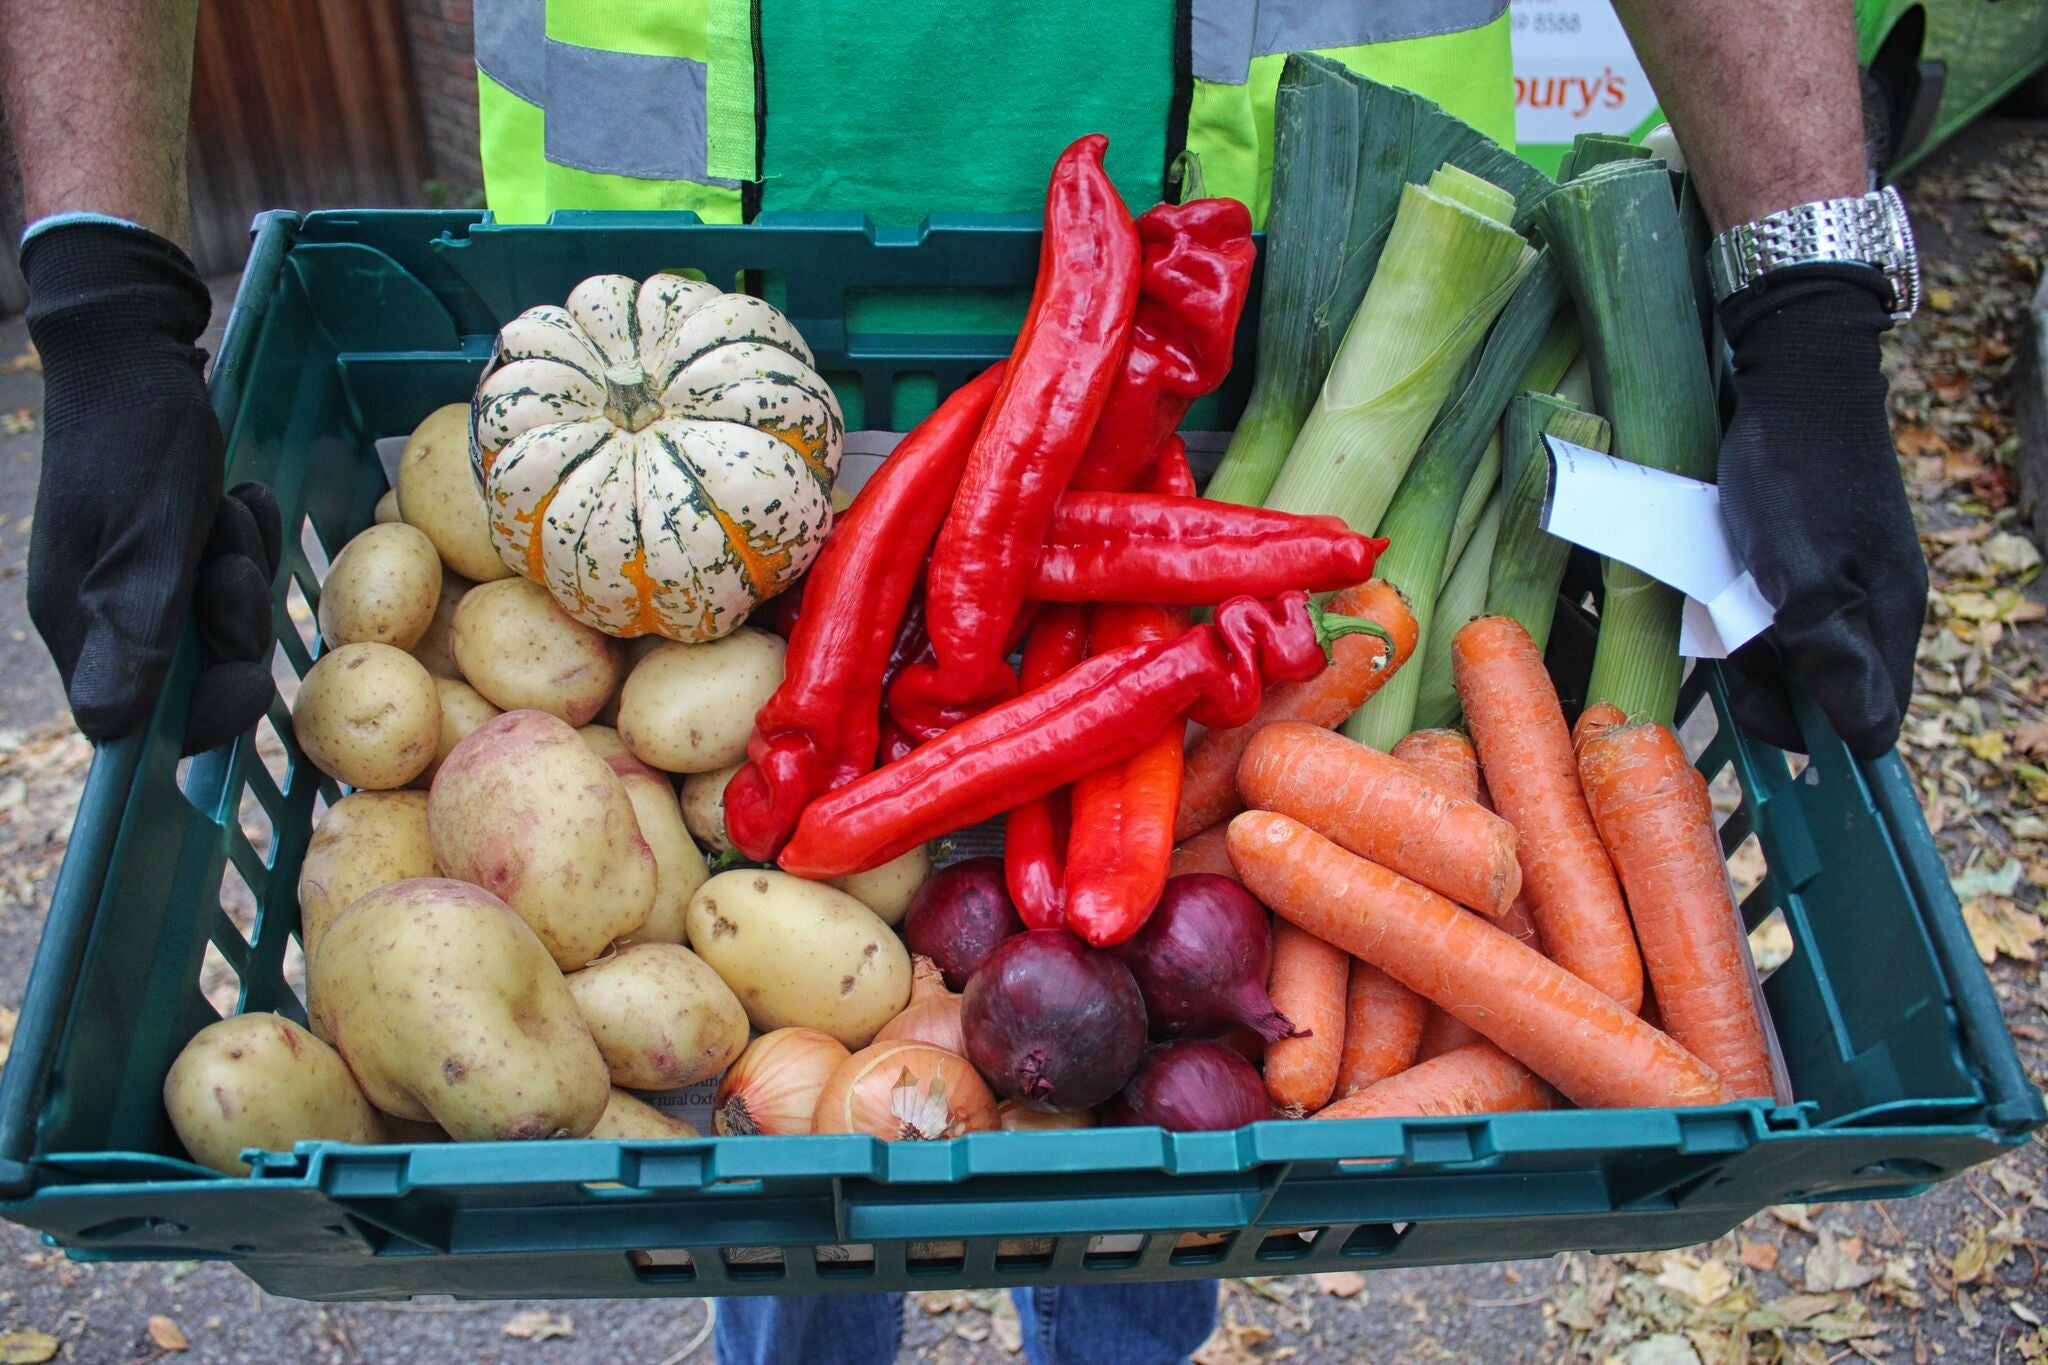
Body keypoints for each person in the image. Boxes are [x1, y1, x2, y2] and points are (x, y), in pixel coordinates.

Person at [0, 0, 1927, 1360]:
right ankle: (804, 1332)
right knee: (794, 1152)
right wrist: (98, 286)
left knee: (1139, 1112)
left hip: (1236, 276)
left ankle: (1109, 1326)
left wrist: (1807, 282)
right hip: (681, 342)